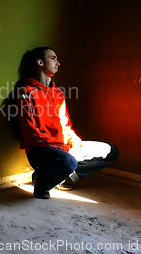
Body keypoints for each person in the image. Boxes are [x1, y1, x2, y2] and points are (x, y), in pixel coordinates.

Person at [16, 47, 118, 199]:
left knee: (110, 151)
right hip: (41, 150)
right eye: (53, 58)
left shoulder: (58, 93)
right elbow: (31, 135)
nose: (58, 63)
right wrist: (61, 147)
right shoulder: (26, 93)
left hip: (62, 148)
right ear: (40, 62)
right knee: (67, 160)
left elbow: (66, 126)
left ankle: (60, 175)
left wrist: (75, 143)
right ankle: (41, 183)